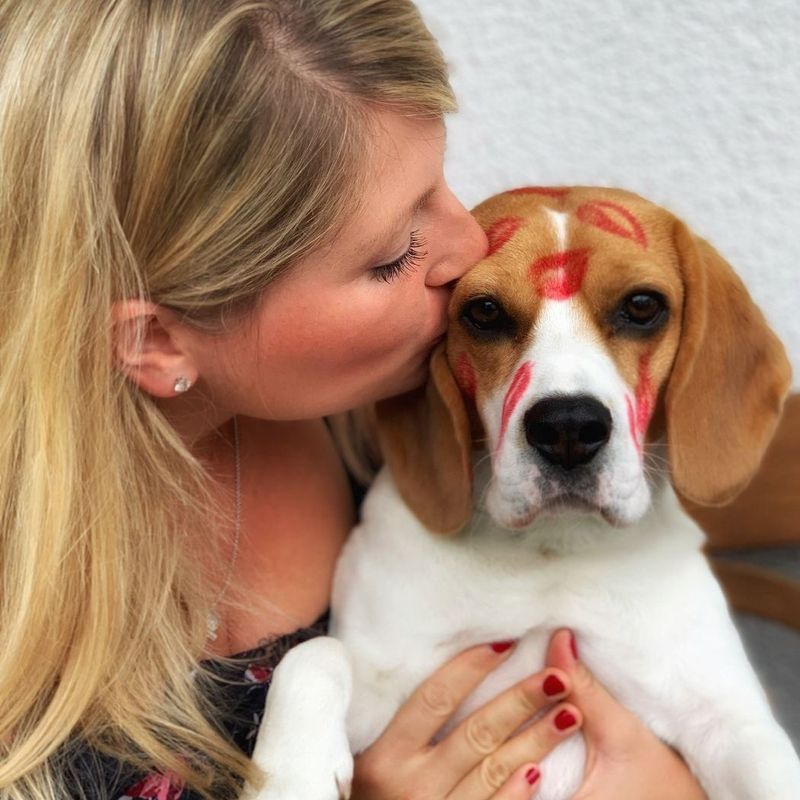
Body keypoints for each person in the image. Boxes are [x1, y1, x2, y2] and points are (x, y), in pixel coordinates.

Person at [0, 1, 709, 798]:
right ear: (155, 341)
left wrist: (672, 782)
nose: (471, 247)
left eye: (441, 181)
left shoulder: (398, 417)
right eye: (395, 252)